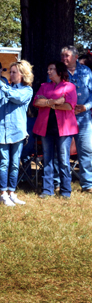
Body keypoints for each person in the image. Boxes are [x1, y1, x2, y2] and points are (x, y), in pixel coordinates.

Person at [0, 60, 33, 206]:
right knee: (3, 163)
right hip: (1, 131)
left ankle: (12, 192)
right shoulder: (4, 87)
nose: (10, 75)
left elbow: (15, 97)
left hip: (17, 131)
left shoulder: (27, 90)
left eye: (14, 72)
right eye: (10, 72)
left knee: (14, 164)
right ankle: (3, 193)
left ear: (23, 74)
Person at [32, 61, 78, 199]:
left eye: (51, 69)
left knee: (64, 161)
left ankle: (65, 191)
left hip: (64, 129)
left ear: (59, 71)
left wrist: (47, 102)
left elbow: (69, 106)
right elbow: (36, 102)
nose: (48, 72)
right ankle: (47, 190)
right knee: (47, 159)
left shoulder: (69, 87)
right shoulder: (44, 86)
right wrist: (54, 101)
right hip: (46, 128)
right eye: (48, 69)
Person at [60, 45, 92, 194]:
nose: (64, 58)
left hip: (84, 118)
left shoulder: (86, 71)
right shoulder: (58, 72)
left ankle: (87, 185)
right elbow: (51, 92)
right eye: (63, 56)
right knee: (61, 152)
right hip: (64, 118)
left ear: (75, 57)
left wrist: (86, 107)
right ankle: (59, 183)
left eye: (67, 55)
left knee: (86, 151)